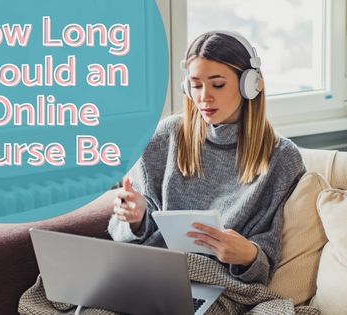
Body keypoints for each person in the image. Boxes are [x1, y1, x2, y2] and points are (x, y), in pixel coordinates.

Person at [108, 30, 305, 285]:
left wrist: (248, 255)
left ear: (250, 85)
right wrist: (135, 219)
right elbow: (120, 231)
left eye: (218, 84)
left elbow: (264, 267)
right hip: (150, 275)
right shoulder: (166, 137)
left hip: (218, 286)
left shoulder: (282, 159)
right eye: (196, 85)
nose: (203, 97)